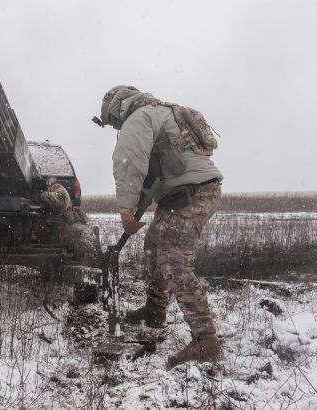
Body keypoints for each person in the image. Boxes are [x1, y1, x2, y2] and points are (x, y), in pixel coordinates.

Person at [98, 85, 224, 369]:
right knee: (154, 248)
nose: (118, 126)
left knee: (172, 260)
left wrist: (126, 209)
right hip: (184, 193)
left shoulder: (140, 117)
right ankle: (155, 311)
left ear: (119, 108)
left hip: (193, 193)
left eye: (114, 120)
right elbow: (153, 171)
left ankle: (206, 340)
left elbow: (130, 161)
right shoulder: (163, 111)